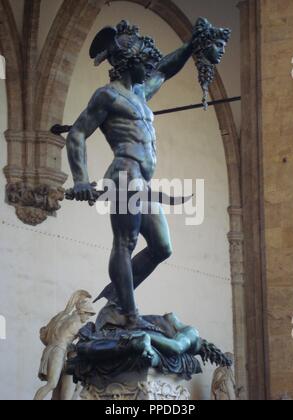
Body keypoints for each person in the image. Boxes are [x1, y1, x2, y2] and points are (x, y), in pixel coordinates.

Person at [66, 20, 230, 330]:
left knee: (162, 247)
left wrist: (192, 45)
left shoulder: (140, 94)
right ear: (130, 63)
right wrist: (80, 179)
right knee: (125, 243)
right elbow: (76, 134)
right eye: (146, 63)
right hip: (124, 174)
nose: (151, 68)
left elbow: (166, 69)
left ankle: (117, 299)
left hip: (142, 179)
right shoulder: (107, 96)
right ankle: (130, 313)